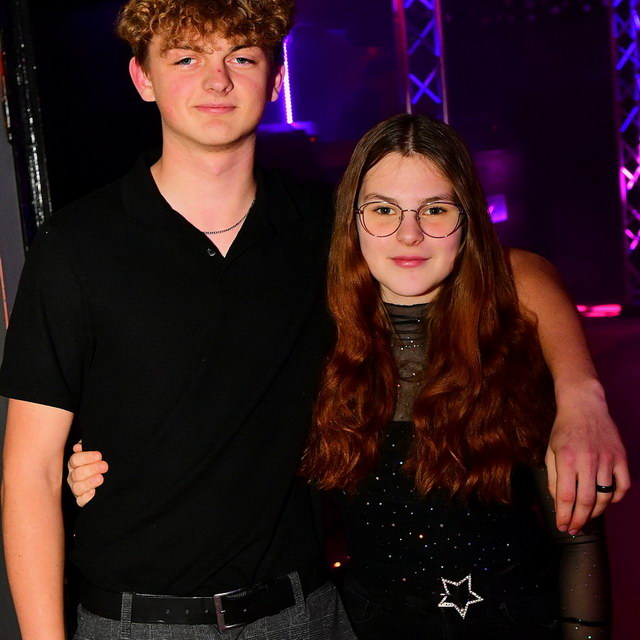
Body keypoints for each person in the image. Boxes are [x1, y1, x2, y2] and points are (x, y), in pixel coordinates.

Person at [1, 0, 627, 638]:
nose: (217, 80)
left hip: (306, 614)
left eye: (241, 57)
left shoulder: (327, 234)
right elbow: (32, 473)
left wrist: (582, 394)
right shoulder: (77, 247)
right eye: (186, 59)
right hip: (135, 621)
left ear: (276, 78)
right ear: (143, 78)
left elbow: (510, 269)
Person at [299, 113, 612, 639]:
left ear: (468, 220)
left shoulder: (520, 341)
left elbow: (577, 541)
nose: (410, 234)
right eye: (383, 209)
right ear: (351, 220)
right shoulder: (316, 342)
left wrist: (584, 391)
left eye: (436, 209)